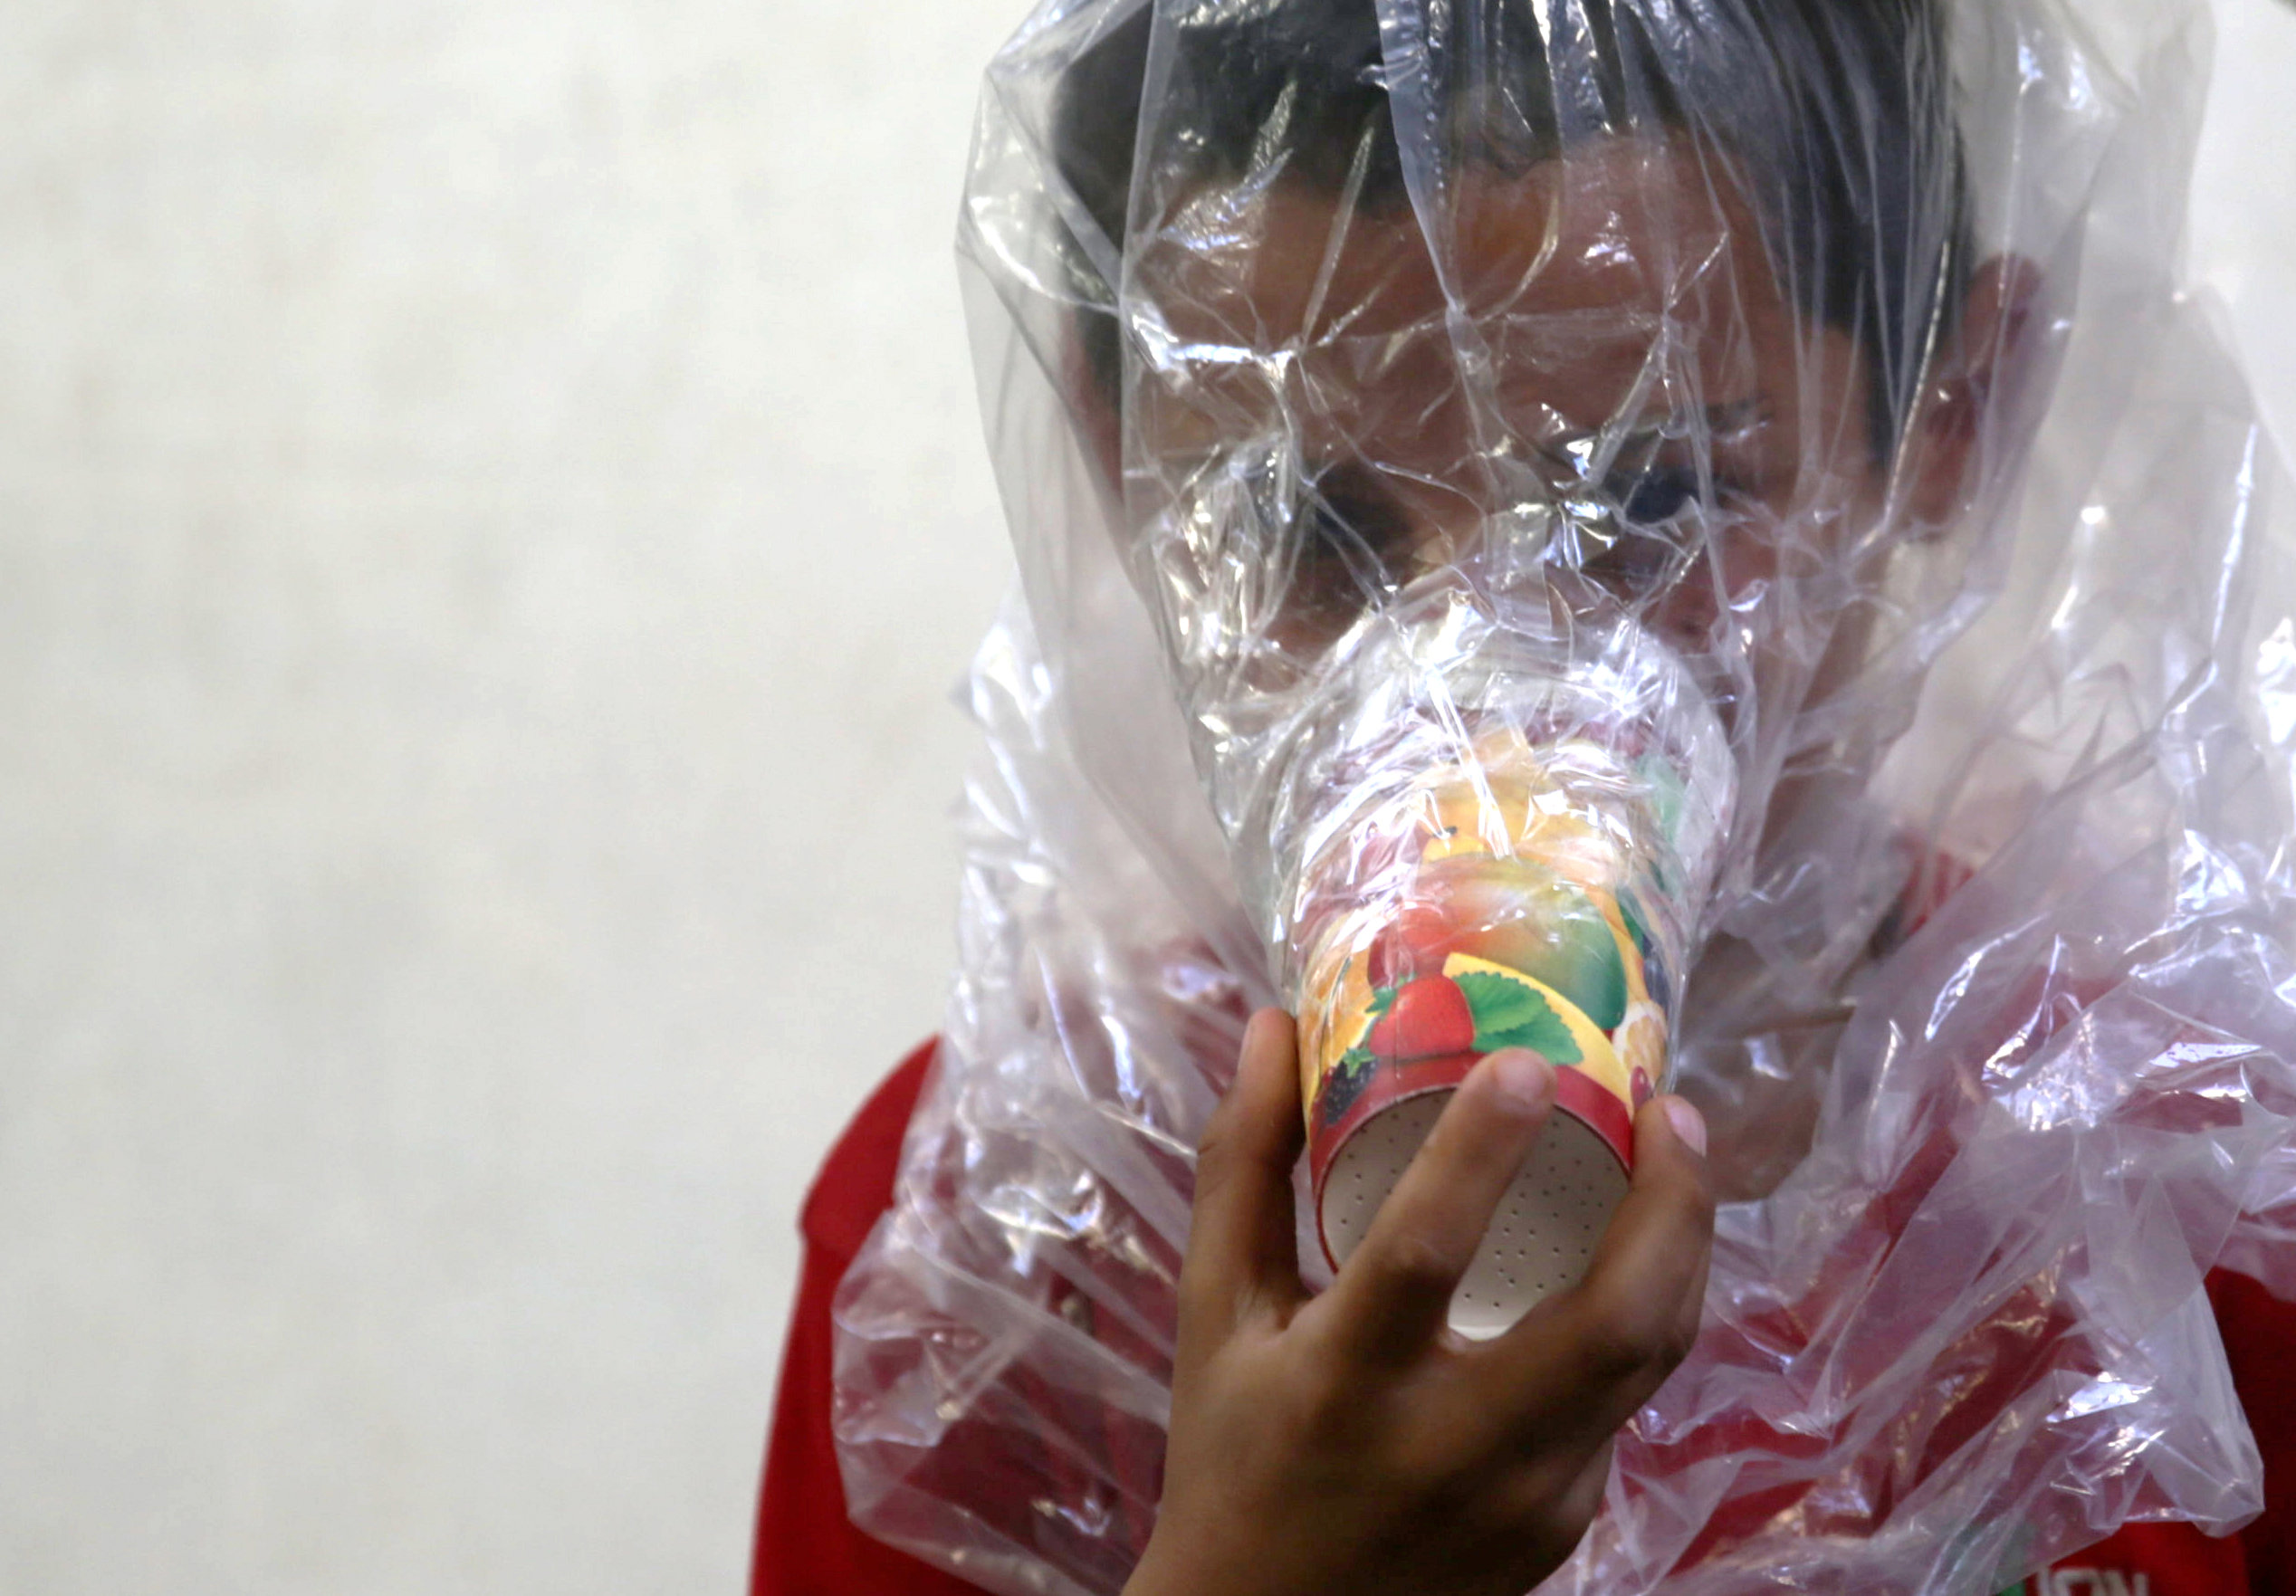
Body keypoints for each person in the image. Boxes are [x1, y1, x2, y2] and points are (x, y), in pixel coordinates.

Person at [756, 2, 2296, 1591]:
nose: (1467, 699)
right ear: (1125, 459)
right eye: (1310, 527)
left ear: (1948, 411)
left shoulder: (2181, 1180)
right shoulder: (1005, 1263)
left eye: (1651, 499)